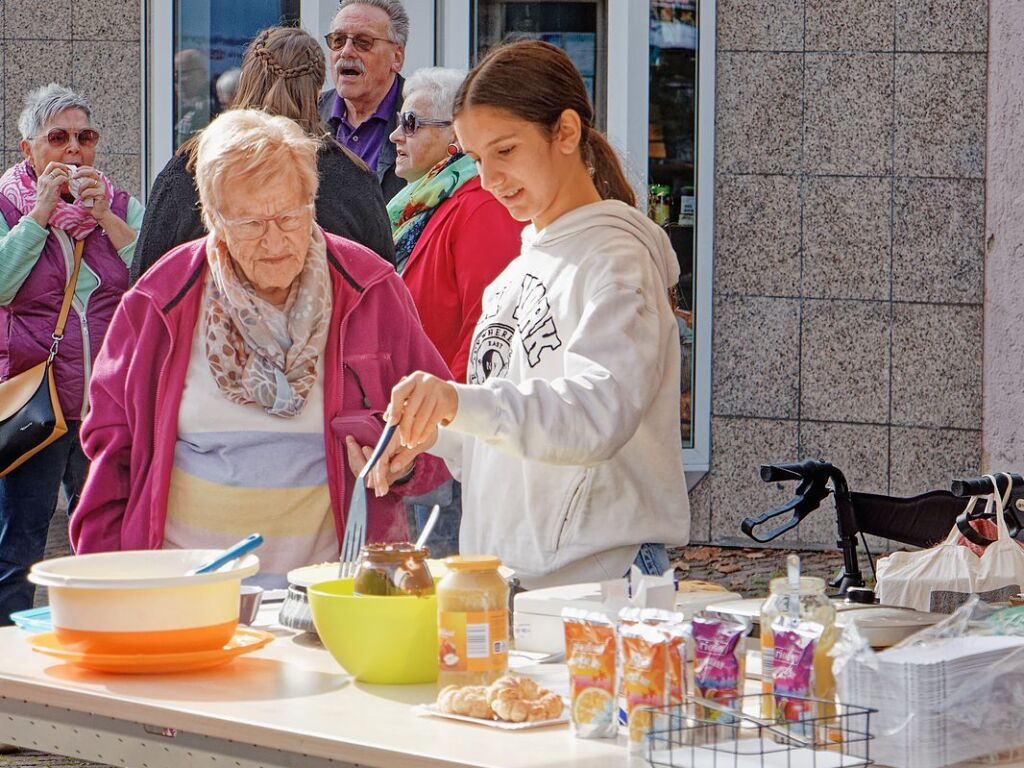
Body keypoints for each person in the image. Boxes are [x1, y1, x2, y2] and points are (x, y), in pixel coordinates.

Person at [70, 109, 451, 588]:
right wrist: (103, 586)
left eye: (291, 217)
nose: (275, 241)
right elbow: (111, 451)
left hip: (330, 595)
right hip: (186, 592)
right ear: (214, 221)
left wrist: (406, 460)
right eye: (251, 224)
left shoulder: (369, 288)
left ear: (312, 203)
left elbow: (444, 424)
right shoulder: (161, 299)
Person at [365, 41, 691, 589]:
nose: (489, 178)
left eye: (506, 150)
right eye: (476, 158)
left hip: (603, 578)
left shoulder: (618, 259)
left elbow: (595, 416)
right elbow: (504, 443)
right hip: (515, 579)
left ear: (565, 131)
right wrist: (433, 431)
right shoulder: (516, 270)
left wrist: (456, 400)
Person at [0, 84, 144, 623]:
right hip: (36, 402)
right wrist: (38, 216)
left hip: (104, 403)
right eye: (57, 138)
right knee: (19, 547)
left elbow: (154, 277)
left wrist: (107, 217)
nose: (73, 150)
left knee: (103, 543)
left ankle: (100, 639)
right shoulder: (8, 206)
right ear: (29, 150)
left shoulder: (121, 204)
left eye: (85, 138)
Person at [386, 67, 525, 556]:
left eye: (410, 122)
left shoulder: (477, 206)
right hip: (428, 431)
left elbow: (488, 333)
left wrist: (449, 417)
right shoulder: (428, 204)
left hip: (452, 436)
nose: (395, 134)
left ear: (454, 137)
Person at [131, 26, 395, 283]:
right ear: (317, 91)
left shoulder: (190, 167)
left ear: (246, 81)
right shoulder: (353, 177)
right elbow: (384, 289)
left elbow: (143, 283)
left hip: (208, 325)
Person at [319, 0, 408, 201]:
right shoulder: (310, 115)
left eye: (363, 42)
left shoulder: (421, 119)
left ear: (397, 58)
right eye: (338, 40)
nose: (346, 51)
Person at [174, 49, 211, 147]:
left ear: (203, 74)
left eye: (183, 73)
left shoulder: (211, 108)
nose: (178, 80)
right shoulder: (173, 110)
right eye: (175, 74)